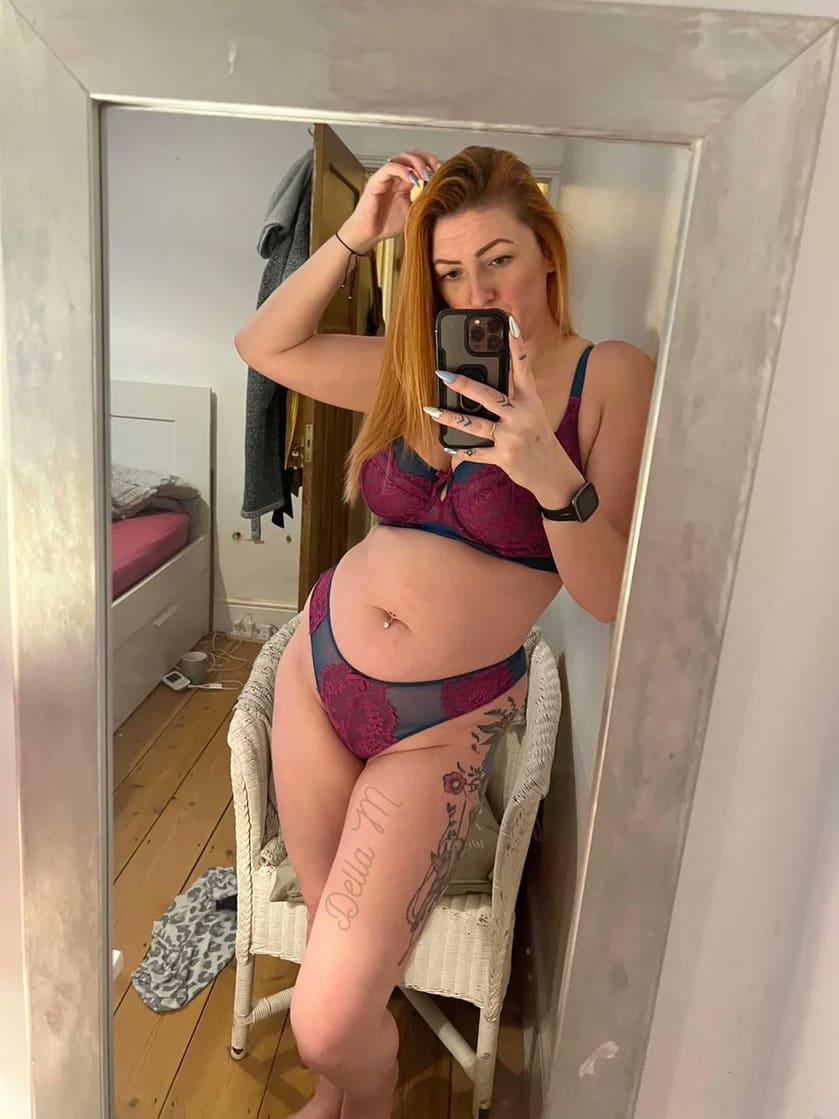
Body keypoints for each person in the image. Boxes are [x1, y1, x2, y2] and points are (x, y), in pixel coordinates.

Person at [234, 145, 653, 1119]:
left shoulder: (610, 377)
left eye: (498, 259)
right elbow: (265, 347)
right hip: (317, 674)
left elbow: (605, 595)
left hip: (438, 722)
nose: (479, 292)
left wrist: (543, 468)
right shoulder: (417, 367)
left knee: (325, 1016)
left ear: (546, 250)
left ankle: (364, 1089)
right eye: (451, 272)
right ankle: (339, 1095)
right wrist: (357, 232)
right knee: (334, 940)